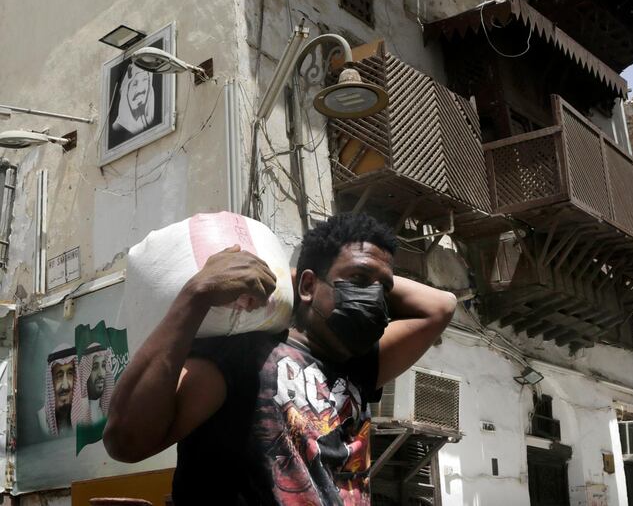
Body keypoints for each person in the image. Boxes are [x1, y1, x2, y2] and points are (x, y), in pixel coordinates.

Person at [104, 213, 456, 505]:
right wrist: (196, 296)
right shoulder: (244, 356)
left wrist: (284, 280)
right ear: (308, 286)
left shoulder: (362, 364)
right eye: (359, 280)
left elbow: (440, 307)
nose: (375, 298)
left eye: (385, 289)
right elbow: (126, 441)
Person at [40, 344, 77, 436]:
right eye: (59, 376)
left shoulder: (85, 414)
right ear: (51, 381)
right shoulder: (41, 420)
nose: (65, 385)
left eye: (70, 373)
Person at [75, 343, 114, 425]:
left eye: (103, 366)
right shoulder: (78, 417)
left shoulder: (108, 411)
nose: (101, 374)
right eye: (95, 367)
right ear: (85, 374)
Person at [112, 62, 155, 136]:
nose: (141, 89)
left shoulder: (145, 120)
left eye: (145, 80)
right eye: (135, 83)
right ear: (126, 89)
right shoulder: (119, 128)